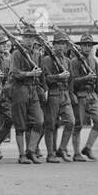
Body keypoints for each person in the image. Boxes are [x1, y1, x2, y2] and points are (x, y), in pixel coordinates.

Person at [8, 28, 44, 164]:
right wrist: (29, 74)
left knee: (39, 121)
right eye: (27, 37)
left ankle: (31, 150)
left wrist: (42, 88)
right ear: (22, 38)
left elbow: (41, 73)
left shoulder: (37, 54)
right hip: (19, 89)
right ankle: (22, 154)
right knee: (20, 124)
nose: (29, 40)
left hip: (33, 89)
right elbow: (14, 73)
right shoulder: (17, 54)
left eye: (32, 37)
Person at [40, 31, 75, 162]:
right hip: (53, 94)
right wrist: (58, 77)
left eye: (63, 44)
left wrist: (71, 95)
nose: (61, 47)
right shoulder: (47, 60)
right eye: (58, 44)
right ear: (53, 45)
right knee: (50, 125)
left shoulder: (68, 61)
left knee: (71, 122)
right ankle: (50, 154)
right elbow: (45, 78)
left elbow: (71, 79)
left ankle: (61, 148)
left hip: (65, 95)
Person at [70, 33, 98, 160]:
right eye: (84, 45)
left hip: (92, 95)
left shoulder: (94, 61)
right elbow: (72, 81)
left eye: (89, 45)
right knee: (78, 125)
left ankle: (88, 147)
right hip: (80, 95)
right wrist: (85, 78)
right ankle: (76, 153)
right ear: (80, 46)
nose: (87, 48)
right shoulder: (74, 62)